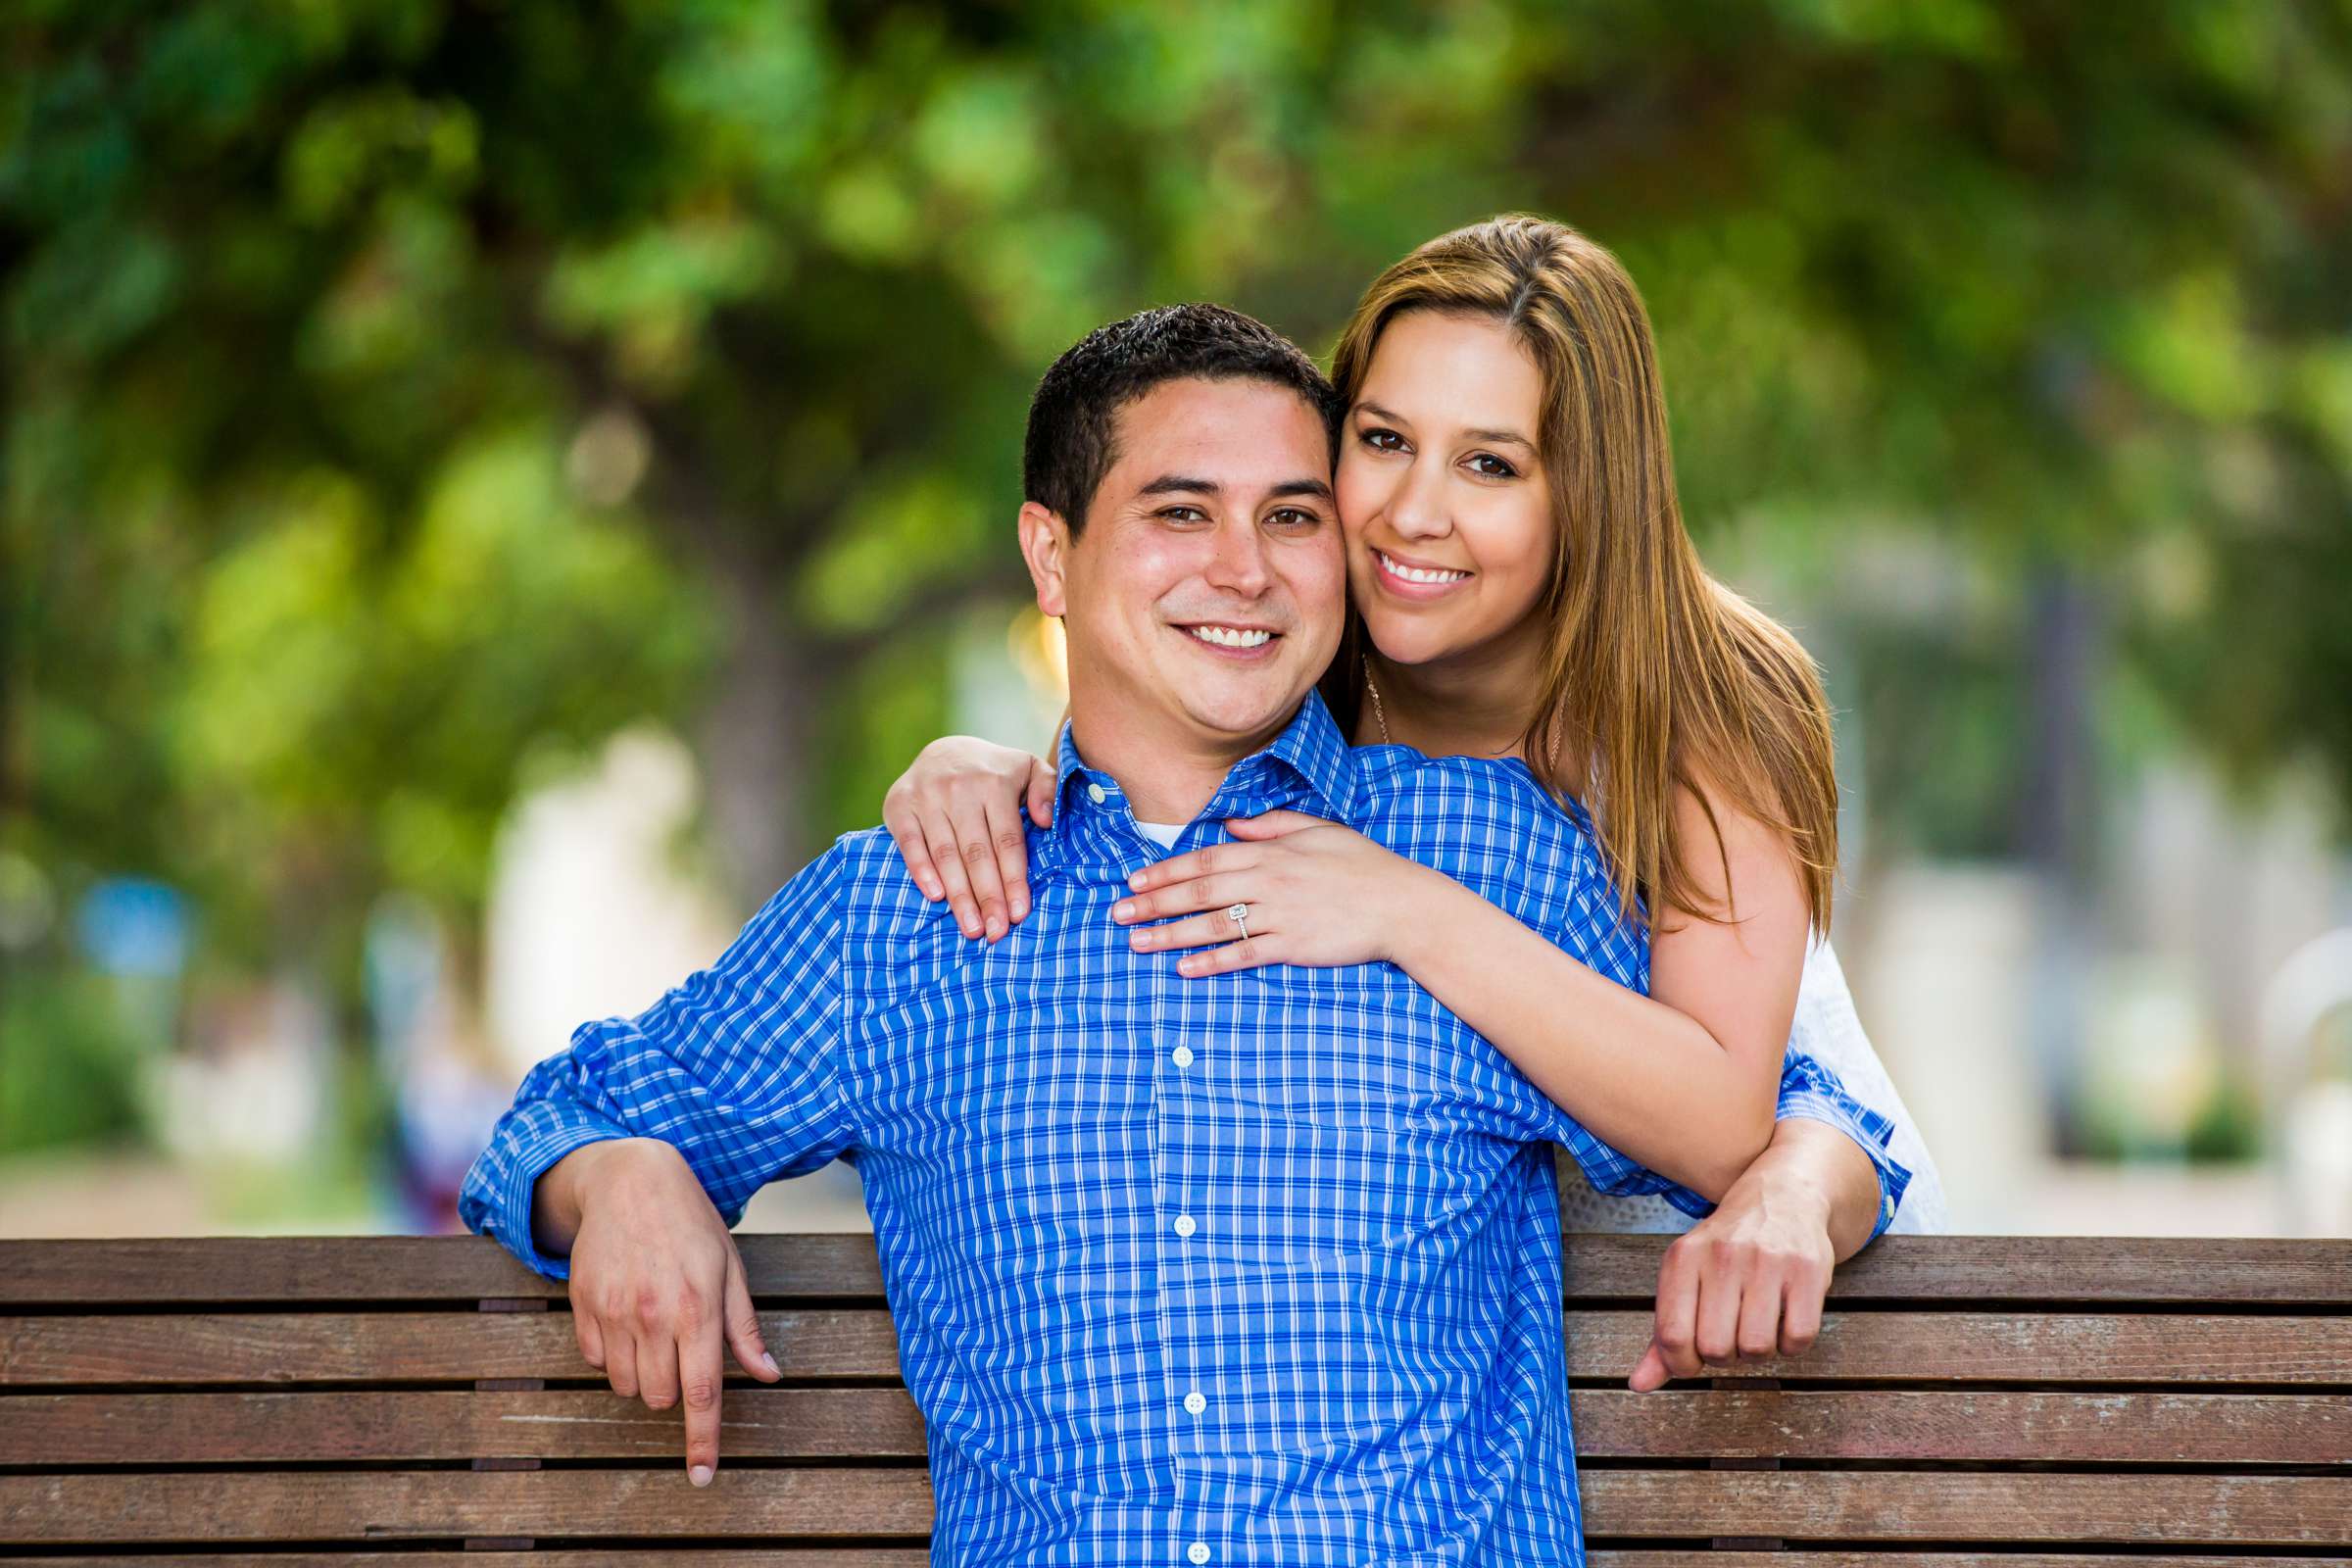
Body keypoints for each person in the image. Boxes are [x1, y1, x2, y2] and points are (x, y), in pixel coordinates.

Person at [460, 302, 1908, 1565]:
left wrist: (1801, 1170)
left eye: (1290, 515)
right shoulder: (907, 907)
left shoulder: (1501, 855)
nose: (1246, 568)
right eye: (1178, 513)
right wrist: (628, 1172)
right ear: (1051, 554)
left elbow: (1782, 1104)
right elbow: (565, 1112)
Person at [879, 216, 1948, 1261]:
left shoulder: (1702, 698)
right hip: (1442, 1277)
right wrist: (980, 765)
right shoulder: (1294, 642)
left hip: (1736, 1235)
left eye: (1490, 465)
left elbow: (1724, 1125)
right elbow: (1133, 762)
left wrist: (1402, 908)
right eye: (1384, 441)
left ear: (1586, 494)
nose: (1412, 514)